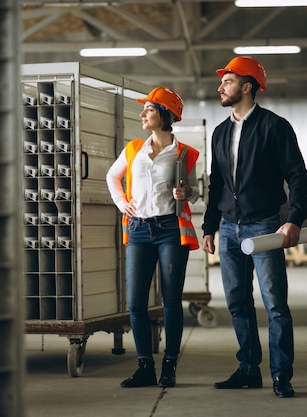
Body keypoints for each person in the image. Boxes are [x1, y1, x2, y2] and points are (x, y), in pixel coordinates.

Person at [202, 56, 307, 398]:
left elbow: (297, 176)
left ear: (247, 87)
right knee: (237, 301)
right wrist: (209, 227)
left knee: (275, 303)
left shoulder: (275, 127)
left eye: (228, 81)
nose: (221, 87)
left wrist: (293, 219)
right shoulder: (219, 133)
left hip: (264, 226)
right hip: (230, 229)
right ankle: (249, 368)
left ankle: (281, 375)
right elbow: (215, 184)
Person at [106, 87, 200, 388]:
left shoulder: (184, 153)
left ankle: (169, 367)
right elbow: (112, 177)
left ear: (165, 114)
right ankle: (145, 366)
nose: (142, 114)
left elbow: (196, 192)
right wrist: (123, 204)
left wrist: (187, 193)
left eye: (148, 109)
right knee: (135, 302)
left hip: (171, 230)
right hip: (138, 230)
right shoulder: (134, 148)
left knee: (171, 301)